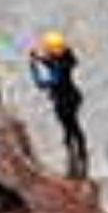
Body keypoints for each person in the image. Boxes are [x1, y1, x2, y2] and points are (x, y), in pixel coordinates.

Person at [27, 30, 89, 180]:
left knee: (71, 125)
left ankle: (78, 151)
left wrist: (33, 69)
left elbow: (42, 84)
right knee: (72, 125)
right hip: (73, 98)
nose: (46, 52)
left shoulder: (59, 69)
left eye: (48, 50)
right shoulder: (66, 58)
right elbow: (52, 63)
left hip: (65, 102)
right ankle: (76, 147)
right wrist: (40, 59)